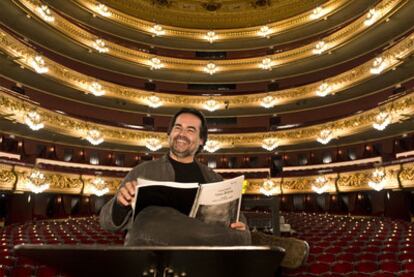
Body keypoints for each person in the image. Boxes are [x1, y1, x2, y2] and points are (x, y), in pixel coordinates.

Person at [100, 108, 251, 246]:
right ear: (170, 134)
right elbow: (106, 222)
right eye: (177, 127)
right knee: (148, 218)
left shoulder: (214, 179)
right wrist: (120, 204)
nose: (182, 134)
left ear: (201, 140)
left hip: (200, 260)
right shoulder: (143, 171)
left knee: (241, 235)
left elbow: (238, 220)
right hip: (154, 255)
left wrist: (241, 228)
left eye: (190, 130)